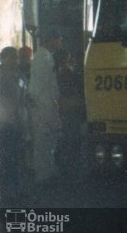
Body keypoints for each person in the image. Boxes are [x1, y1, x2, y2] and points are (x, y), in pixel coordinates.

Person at [27, 29, 63, 184]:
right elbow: (39, 85)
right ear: (50, 40)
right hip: (42, 106)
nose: (60, 42)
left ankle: (47, 171)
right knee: (43, 141)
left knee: (48, 140)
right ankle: (43, 175)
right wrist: (42, 105)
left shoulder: (46, 56)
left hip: (46, 104)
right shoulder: (42, 57)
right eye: (58, 39)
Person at [53, 49, 85, 177]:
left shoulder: (57, 72)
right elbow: (73, 89)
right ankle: (71, 168)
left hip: (64, 108)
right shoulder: (67, 72)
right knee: (72, 139)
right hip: (71, 107)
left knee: (66, 138)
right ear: (66, 58)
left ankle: (65, 166)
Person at [0, 46, 25, 197]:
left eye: (16, 57)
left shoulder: (19, 75)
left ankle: (14, 187)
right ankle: (9, 189)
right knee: (7, 156)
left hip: (16, 121)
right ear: (4, 58)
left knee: (15, 155)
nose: (15, 60)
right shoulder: (2, 75)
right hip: (4, 122)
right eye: (12, 57)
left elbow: (22, 94)